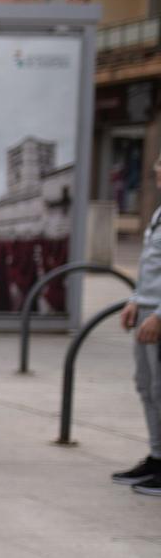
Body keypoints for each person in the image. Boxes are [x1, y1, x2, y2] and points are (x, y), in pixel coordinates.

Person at [117, 153, 161, 495]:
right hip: (146, 310)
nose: (157, 177)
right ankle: (157, 456)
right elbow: (150, 267)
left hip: (158, 316)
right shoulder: (158, 213)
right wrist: (135, 298)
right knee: (146, 387)